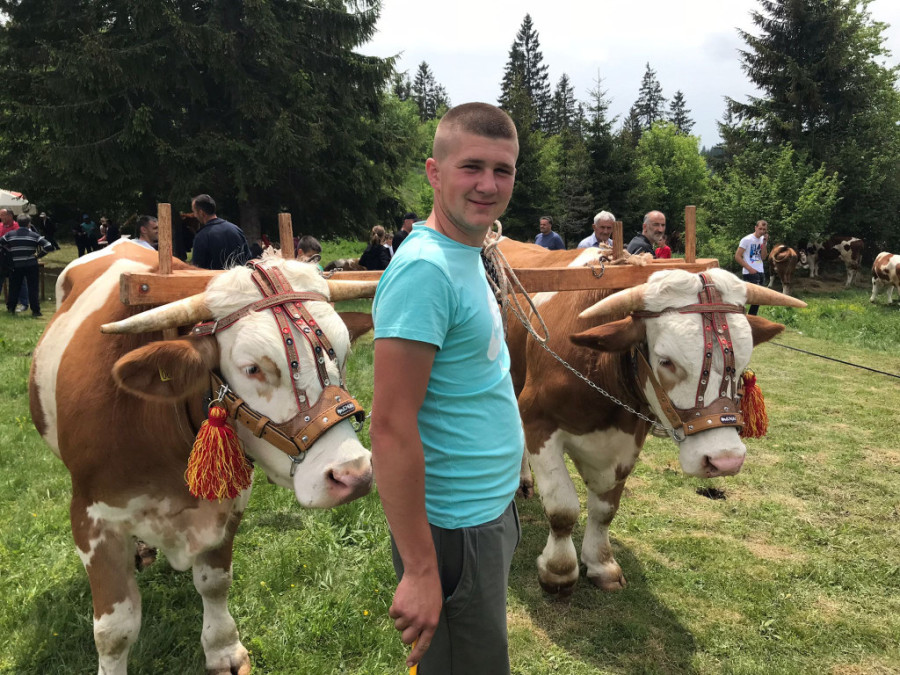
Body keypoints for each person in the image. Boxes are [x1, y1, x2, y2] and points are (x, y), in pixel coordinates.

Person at [370, 102, 524, 675]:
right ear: (434, 172)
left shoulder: (467, 253)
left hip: (487, 511)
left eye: (502, 170)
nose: (488, 184)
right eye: (472, 167)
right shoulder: (425, 272)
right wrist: (420, 568)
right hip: (455, 530)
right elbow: (388, 426)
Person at [1, 214, 52, 317]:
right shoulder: (34, 235)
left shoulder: (10, 235)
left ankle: (11, 308)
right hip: (31, 264)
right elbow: (48, 246)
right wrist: (38, 255)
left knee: (14, 287)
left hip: (15, 265)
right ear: (29, 224)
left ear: (18, 223)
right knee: (33, 288)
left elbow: (1, 243)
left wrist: (9, 252)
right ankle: (35, 311)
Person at [189, 194, 252, 270]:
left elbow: (197, 269)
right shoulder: (236, 230)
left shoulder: (202, 237)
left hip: (215, 281)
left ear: (201, 213)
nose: (194, 215)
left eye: (194, 212)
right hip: (239, 280)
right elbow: (248, 259)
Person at [735, 220, 769, 316]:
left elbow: (763, 257)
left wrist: (764, 243)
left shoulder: (762, 240)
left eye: (764, 230)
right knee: (749, 297)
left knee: (758, 299)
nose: (762, 231)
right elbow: (737, 256)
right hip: (749, 272)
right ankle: (739, 314)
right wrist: (749, 269)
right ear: (755, 228)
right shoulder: (747, 240)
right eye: (760, 229)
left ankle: (751, 317)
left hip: (760, 270)